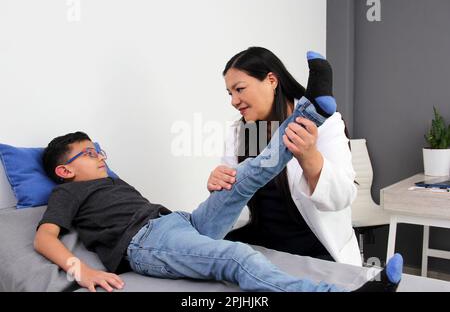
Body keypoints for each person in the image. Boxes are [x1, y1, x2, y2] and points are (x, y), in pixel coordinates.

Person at [34, 95, 403, 292]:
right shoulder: (67, 194)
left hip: (179, 222)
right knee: (237, 256)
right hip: (145, 244)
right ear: (65, 171)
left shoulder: (109, 181)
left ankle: (308, 115)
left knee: (245, 175)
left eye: (98, 148)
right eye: (89, 153)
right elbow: (44, 238)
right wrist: (79, 270)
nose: (100, 155)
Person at [208, 47, 360, 265]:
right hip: (260, 243)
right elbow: (230, 202)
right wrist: (218, 183)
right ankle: (312, 107)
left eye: (239, 89)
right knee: (202, 253)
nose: (233, 101)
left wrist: (309, 156)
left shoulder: (327, 124)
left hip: (315, 247)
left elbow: (341, 197)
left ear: (271, 80)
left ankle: (311, 109)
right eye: (230, 94)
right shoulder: (239, 131)